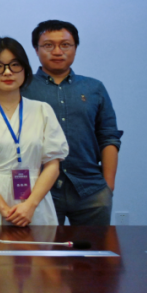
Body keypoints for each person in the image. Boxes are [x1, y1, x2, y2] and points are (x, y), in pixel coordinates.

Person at [0, 37, 68, 226]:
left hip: (34, 201)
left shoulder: (42, 110)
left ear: (25, 69)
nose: (7, 72)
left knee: (36, 246)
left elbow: (53, 164)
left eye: (15, 65)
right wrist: (4, 210)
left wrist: (30, 206)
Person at [23, 20, 122, 226]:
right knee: (41, 247)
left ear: (75, 47)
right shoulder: (23, 88)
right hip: (38, 190)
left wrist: (108, 186)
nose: (57, 51)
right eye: (48, 45)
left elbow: (109, 137)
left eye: (65, 45)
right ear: (36, 49)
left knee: (94, 247)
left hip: (90, 189)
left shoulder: (94, 88)